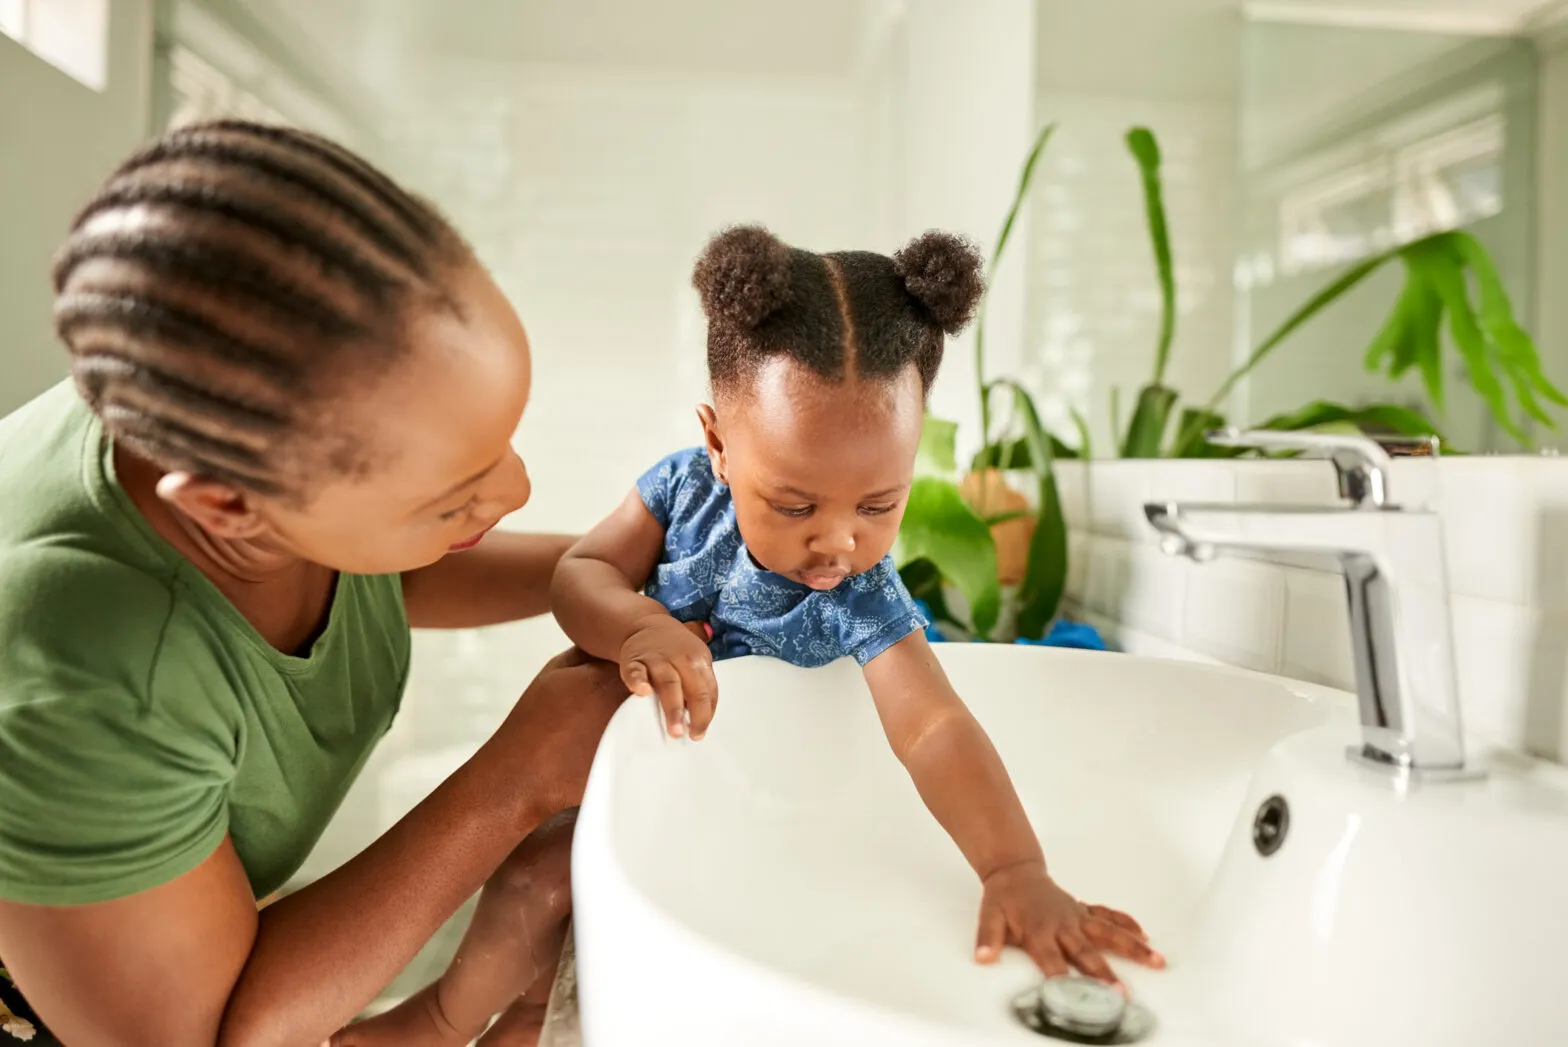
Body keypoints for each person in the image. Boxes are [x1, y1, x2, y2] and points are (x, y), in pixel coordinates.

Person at [0, 119, 625, 1047]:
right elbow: (205, 1037)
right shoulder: (90, 674)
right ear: (224, 506)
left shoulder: (241, 400)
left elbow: (383, 574)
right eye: (453, 496)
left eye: (500, 443)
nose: (516, 489)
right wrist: (518, 778)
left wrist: (613, 567)